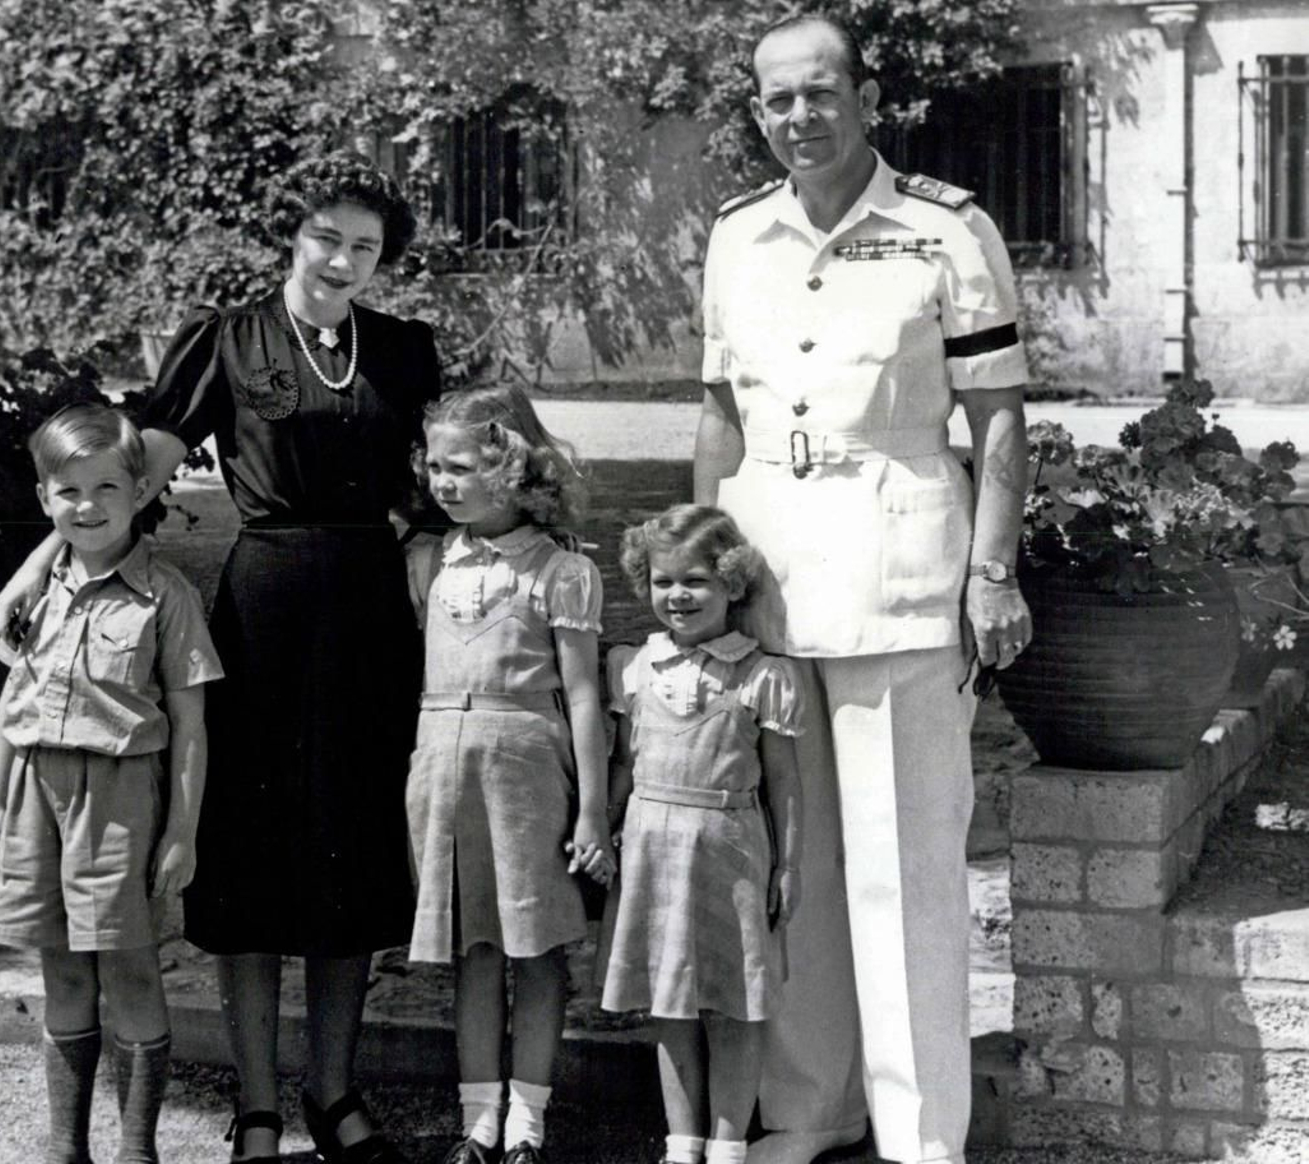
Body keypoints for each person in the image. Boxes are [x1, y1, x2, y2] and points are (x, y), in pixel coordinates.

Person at [0, 153, 439, 1164]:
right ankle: (258, 1104)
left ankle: (333, 1091)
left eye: (364, 247)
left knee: (351, 853)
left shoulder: (405, 350)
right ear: (294, 235)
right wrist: (40, 562)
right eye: (326, 237)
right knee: (255, 860)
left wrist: (421, 546)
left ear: (381, 262)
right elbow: (126, 476)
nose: (341, 259)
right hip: (266, 606)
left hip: (370, 616)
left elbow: (434, 481)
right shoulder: (228, 341)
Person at [693, 15, 1033, 1164]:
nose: (799, 117)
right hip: (772, 580)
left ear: (865, 94)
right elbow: (719, 418)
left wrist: (991, 573)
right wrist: (699, 570)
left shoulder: (944, 228)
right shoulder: (737, 235)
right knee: (794, 865)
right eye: (777, 99)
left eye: (820, 93)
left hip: (901, 577)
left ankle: (920, 1131)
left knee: (906, 868)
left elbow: (997, 420)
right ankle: (811, 1108)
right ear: (758, 112)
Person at [0, 403, 223, 1164]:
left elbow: (190, 725)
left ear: (141, 490)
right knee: (59, 964)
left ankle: (136, 1150)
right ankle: (64, 1147)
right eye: (68, 491)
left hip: (119, 800)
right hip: (31, 795)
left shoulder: (166, 597)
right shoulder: (35, 594)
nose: (87, 507)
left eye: (108, 489)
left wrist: (182, 829)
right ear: (45, 497)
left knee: (128, 966)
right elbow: (12, 707)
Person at [406, 384, 614, 1164]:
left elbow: (585, 695)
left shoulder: (559, 570)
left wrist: (592, 812)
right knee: (475, 945)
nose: (442, 481)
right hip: (443, 773)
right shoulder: (430, 560)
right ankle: (478, 1120)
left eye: (459, 467)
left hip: (526, 772)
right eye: (433, 465)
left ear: (510, 468)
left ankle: (528, 1119)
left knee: (535, 946)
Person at [599, 504, 804, 1164]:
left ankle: (727, 1146)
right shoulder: (636, 667)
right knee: (671, 1003)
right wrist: (599, 828)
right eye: (663, 582)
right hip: (653, 849)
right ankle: (681, 1143)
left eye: (695, 582)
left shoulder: (760, 674)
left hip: (730, 849)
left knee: (734, 1004)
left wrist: (789, 864)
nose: (677, 596)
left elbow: (783, 780)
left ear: (731, 585)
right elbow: (627, 764)